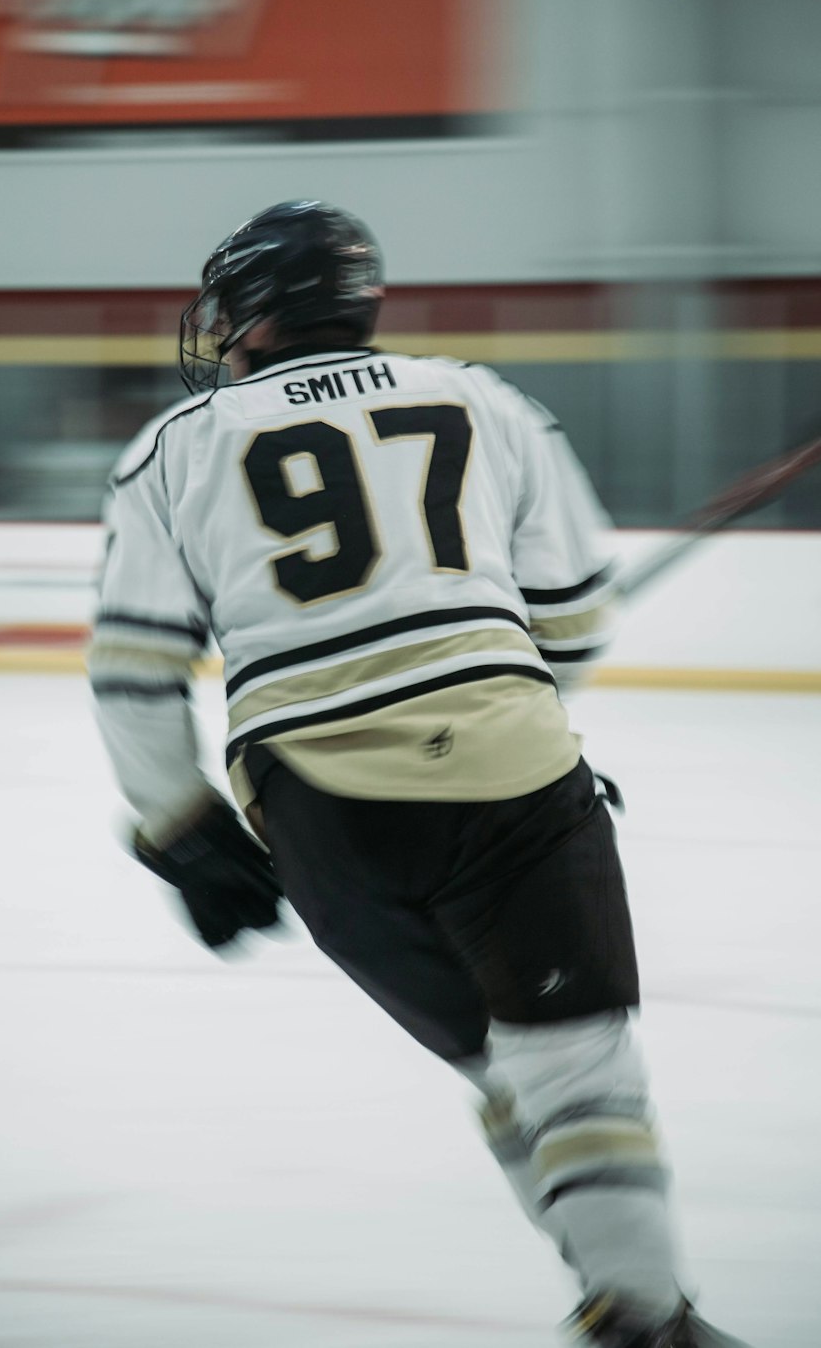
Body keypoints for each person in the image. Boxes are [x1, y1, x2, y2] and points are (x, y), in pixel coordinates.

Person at [87, 200, 751, 1348]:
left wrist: (180, 827)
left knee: (503, 1067)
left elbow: (134, 674)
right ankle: (644, 1316)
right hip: (511, 776)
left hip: (320, 806)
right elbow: (575, 629)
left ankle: (622, 1305)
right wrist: (503, 692)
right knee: (576, 1070)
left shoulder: (172, 450)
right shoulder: (484, 399)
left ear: (249, 313)